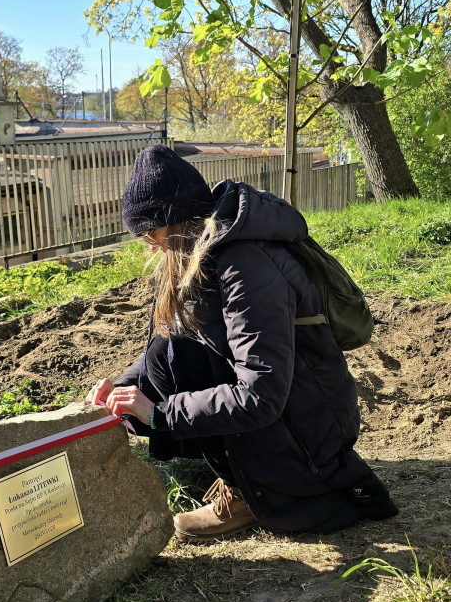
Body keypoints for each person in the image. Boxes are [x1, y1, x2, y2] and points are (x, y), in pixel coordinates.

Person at [87, 144, 398, 542]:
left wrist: (161, 414)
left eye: (149, 232)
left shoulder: (247, 264)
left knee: (178, 365)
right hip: (288, 411)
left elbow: (262, 393)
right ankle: (243, 470)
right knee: (169, 352)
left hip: (309, 428)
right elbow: (169, 342)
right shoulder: (205, 250)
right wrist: (125, 388)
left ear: (175, 221)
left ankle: (250, 492)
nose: (148, 245)